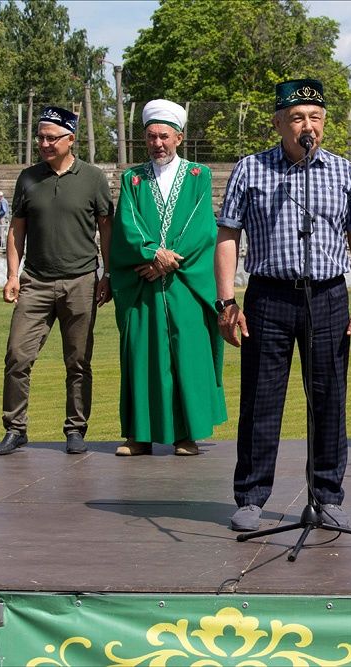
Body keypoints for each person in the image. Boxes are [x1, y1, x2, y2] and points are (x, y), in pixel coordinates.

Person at [216, 78, 351, 532]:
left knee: (329, 400)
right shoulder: (251, 170)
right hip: (267, 296)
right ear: (279, 123)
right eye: (297, 118)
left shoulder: (344, 172)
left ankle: (327, 496)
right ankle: (251, 496)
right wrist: (226, 301)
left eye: (315, 118)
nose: (308, 126)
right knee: (261, 400)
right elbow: (228, 237)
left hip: (326, 297)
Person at [0, 106, 113, 456]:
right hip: (35, 281)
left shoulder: (93, 178)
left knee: (78, 361)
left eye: (51, 137)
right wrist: (13, 274)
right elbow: (17, 229)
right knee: (17, 355)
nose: (44, 143)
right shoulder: (28, 178)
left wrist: (108, 273)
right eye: (40, 137)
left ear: (70, 139)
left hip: (81, 282)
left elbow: (107, 228)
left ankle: (76, 429)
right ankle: (15, 428)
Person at [110, 99, 227, 457]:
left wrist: (165, 260)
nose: (157, 143)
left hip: (184, 284)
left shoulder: (198, 175)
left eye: (164, 136)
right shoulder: (132, 179)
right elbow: (126, 224)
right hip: (143, 284)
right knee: (143, 357)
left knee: (186, 358)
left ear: (179, 137)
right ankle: (139, 436)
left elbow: (201, 227)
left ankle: (185, 435)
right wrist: (150, 253)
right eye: (150, 137)